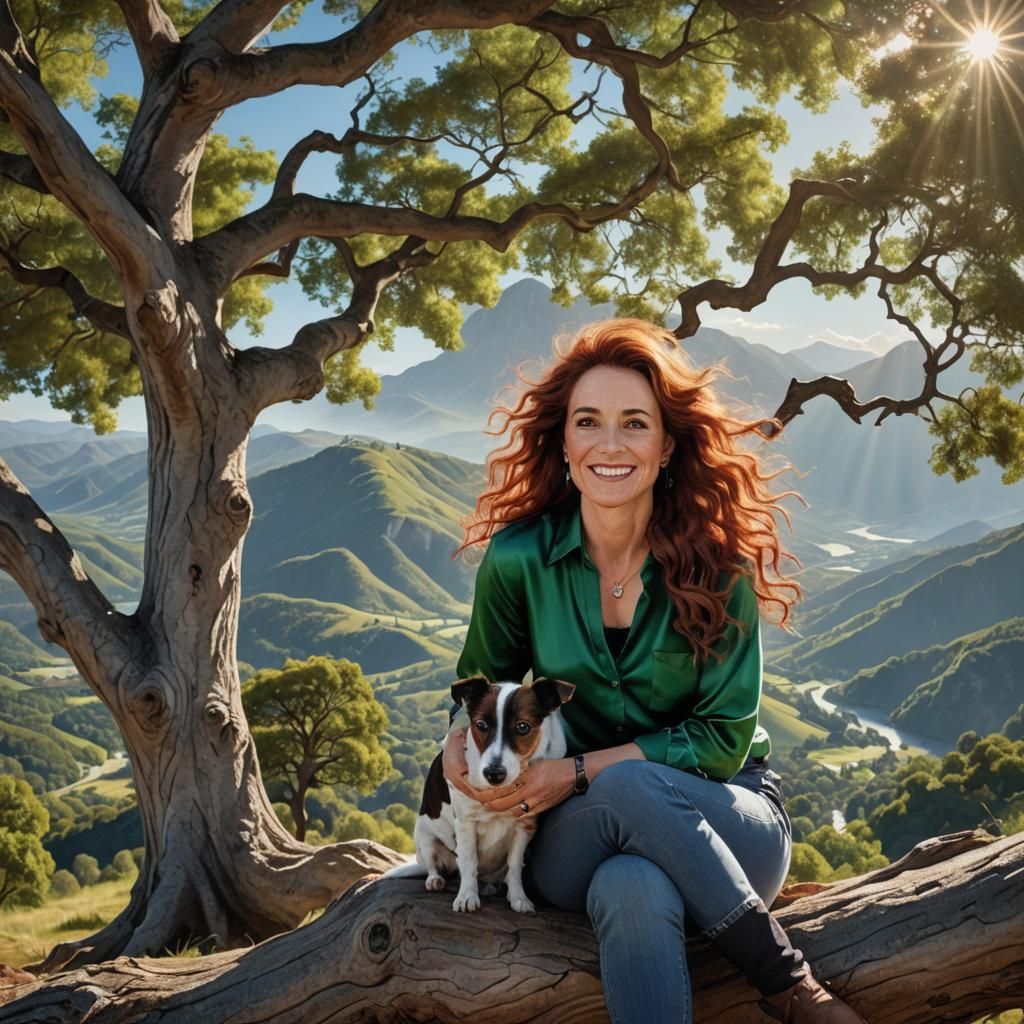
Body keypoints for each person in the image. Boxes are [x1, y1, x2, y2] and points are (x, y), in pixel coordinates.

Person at [442, 319, 869, 1024]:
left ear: (666, 444)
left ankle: (790, 987)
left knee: (632, 875)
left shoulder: (717, 564)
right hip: (571, 829)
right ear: (565, 442)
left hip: (730, 814)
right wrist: (460, 754)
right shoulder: (518, 558)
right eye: (589, 422)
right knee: (626, 868)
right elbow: (478, 696)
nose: (610, 444)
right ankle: (795, 993)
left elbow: (724, 739)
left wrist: (581, 770)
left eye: (634, 423)